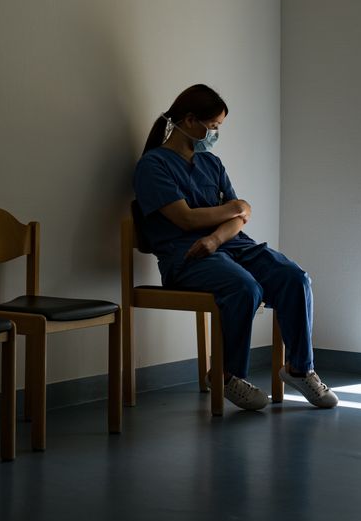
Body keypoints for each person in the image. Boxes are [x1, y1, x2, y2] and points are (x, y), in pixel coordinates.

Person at [133, 83, 338, 412]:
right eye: (212, 127)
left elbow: (242, 217)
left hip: (228, 245)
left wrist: (217, 235)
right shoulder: (152, 166)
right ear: (188, 121)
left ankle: (300, 368)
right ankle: (227, 376)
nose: (215, 134)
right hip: (186, 257)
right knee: (244, 287)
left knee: (293, 278)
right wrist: (232, 209)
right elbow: (185, 219)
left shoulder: (211, 163)